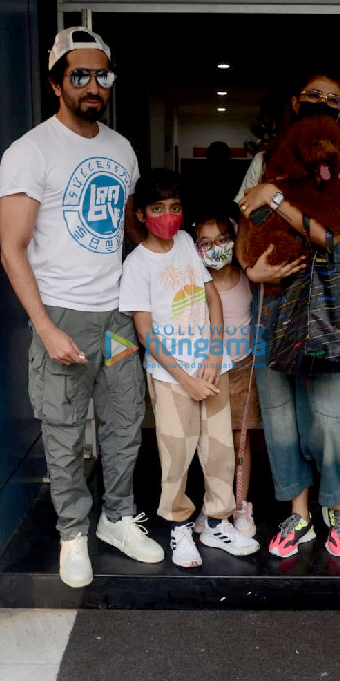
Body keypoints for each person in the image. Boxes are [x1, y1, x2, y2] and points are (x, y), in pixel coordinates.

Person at [0, 27, 164, 589]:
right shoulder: (30, 151)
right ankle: (74, 532)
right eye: (80, 75)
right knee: (65, 432)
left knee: (122, 426)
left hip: (116, 316)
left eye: (102, 75)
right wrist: (44, 328)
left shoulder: (121, 149)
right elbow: (11, 248)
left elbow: (122, 235)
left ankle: (117, 518)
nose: (94, 85)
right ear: (56, 82)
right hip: (62, 317)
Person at [236, 69, 340, 559]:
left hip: (333, 297)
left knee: (333, 410)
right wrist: (253, 271)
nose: (322, 101)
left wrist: (274, 198)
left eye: (332, 98)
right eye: (314, 94)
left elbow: (331, 234)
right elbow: (242, 228)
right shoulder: (262, 161)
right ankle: (299, 511)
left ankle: (336, 505)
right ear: (296, 102)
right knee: (281, 410)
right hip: (273, 294)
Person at [118, 169, 260, 568]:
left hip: (211, 369)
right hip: (171, 378)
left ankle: (214, 522)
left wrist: (215, 355)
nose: (169, 215)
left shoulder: (185, 243)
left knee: (219, 450)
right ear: (142, 214)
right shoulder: (138, 265)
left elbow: (211, 297)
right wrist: (185, 379)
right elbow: (145, 333)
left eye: (175, 207)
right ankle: (180, 527)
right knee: (176, 453)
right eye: (158, 208)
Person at [191, 205, 261, 538]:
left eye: (222, 239)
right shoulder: (195, 285)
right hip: (209, 371)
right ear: (194, 248)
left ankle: (240, 503)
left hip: (244, 368)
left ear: (234, 240)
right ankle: (214, 503)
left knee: (240, 439)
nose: (214, 248)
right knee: (212, 442)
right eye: (205, 243)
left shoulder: (249, 279)